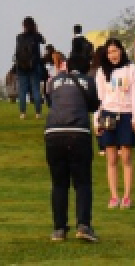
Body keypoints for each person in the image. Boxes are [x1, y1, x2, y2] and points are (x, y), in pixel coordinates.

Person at [46, 43, 99, 243]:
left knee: (59, 184)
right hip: (78, 133)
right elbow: (94, 105)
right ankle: (84, 225)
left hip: (53, 133)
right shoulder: (88, 81)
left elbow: (51, 101)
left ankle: (59, 229)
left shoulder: (53, 81)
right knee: (82, 182)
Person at [93, 39, 135, 210]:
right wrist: (96, 119)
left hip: (126, 114)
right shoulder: (101, 72)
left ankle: (127, 196)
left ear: (121, 50)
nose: (113, 55)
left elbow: (134, 95)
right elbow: (99, 98)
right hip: (108, 114)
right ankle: (114, 196)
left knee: (126, 156)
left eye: (115, 51)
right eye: (110, 52)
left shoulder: (131, 69)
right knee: (111, 157)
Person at [14, 17, 48, 118]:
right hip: (34, 65)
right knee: (36, 89)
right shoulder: (37, 36)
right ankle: (38, 113)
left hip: (21, 65)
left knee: (22, 90)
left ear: (23, 25)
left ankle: (22, 113)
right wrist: (36, 30)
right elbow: (44, 41)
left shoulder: (19, 37)